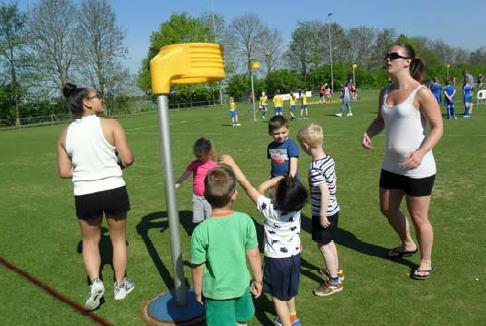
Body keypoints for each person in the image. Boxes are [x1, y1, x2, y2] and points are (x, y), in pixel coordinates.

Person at [361, 43, 443, 280]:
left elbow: (438, 128)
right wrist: (369, 132)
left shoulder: (422, 92)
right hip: (391, 164)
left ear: (407, 61)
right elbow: (380, 120)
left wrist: (421, 152)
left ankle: (426, 260)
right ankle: (408, 244)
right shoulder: (385, 92)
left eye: (394, 56)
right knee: (387, 208)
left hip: (419, 166)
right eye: (388, 55)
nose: (388, 59)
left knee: (419, 218)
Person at [57, 83, 135, 310]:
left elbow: (64, 172)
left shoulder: (65, 134)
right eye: (97, 96)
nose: (101, 99)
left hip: (85, 194)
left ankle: (95, 282)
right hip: (113, 189)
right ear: (87, 103)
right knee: (118, 239)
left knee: (90, 242)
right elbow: (127, 158)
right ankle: (120, 286)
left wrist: (86, 171)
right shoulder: (111, 124)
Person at [220, 154, 307, 326]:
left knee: (278, 298)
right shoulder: (296, 209)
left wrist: (233, 164)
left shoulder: (269, 208)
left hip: (277, 261)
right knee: (288, 292)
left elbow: (249, 186)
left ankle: (285, 323)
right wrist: (281, 182)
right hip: (295, 256)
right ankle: (293, 318)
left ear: (277, 194)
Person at [191, 166, 263, 326]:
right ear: (234, 195)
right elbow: (254, 254)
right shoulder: (245, 220)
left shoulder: (201, 230)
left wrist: (197, 291)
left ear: (205, 195)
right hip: (242, 286)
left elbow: (197, 267)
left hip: (217, 293)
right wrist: (258, 280)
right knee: (241, 322)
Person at [297, 123, 344, 296]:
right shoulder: (329, 159)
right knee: (330, 242)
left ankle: (333, 282)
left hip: (324, 212)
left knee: (323, 246)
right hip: (334, 208)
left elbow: (324, 191)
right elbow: (333, 183)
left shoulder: (315, 167)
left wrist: (322, 214)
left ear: (305, 146)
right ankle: (336, 271)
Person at [175, 137, 219, 228]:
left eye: (200, 153)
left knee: (210, 218)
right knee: (199, 220)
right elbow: (186, 174)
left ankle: (211, 235)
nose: (197, 155)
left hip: (209, 197)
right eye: (196, 153)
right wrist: (178, 183)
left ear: (208, 152)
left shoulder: (214, 165)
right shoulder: (194, 164)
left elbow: (220, 179)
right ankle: (201, 235)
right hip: (197, 197)